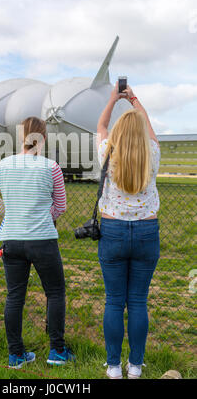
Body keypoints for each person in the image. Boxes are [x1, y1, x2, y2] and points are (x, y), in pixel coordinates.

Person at [0, 116, 75, 369]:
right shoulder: (51, 167)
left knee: (15, 296)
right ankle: (57, 351)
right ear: (43, 139)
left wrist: (12, 213)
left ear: (21, 136)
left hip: (11, 240)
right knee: (55, 293)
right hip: (43, 240)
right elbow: (61, 206)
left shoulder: (3, 165)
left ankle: (16, 355)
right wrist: (43, 217)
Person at [96, 82, 161, 379]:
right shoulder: (152, 154)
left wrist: (113, 100)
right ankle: (135, 366)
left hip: (112, 231)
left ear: (118, 134)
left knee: (113, 300)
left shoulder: (107, 154)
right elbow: (146, 126)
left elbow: (100, 125)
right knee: (137, 300)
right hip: (147, 231)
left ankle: (113, 367)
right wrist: (133, 99)